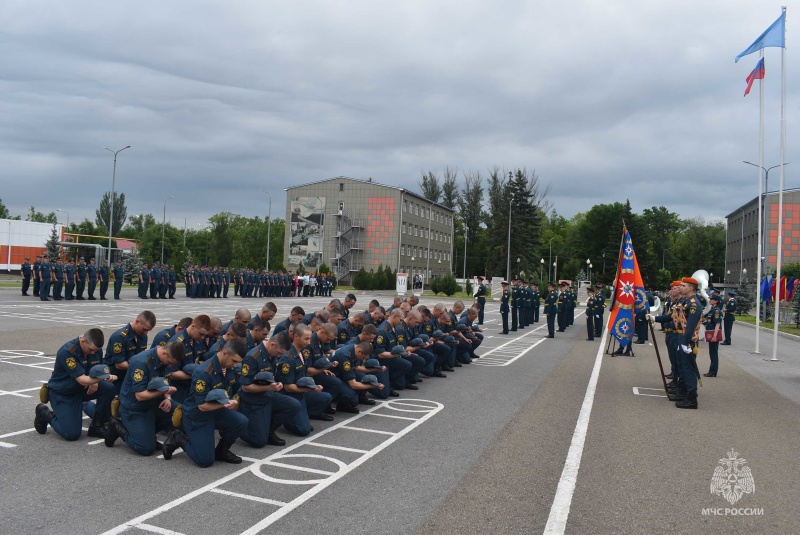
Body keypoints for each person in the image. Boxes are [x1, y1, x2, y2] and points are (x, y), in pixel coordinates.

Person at [162, 339, 250, 466]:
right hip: (198, 416)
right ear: (225, 353)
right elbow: (202, 406)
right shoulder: (204, 372)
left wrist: (228, 403)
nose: (236, 365)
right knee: (205, 461)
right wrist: (224, 405)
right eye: (234, 361)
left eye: (238, 362)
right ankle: (178, 437)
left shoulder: (228, 367)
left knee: (241, 421)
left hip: (216, 411)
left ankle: (222, 451)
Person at [104, 341, 184, 455]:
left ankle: (148, 434)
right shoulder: (141, 362)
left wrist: (168, 398)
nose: (171, 366)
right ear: (164, 353)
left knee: (180, 413)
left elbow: (165, 382)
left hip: (152, 403)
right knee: (145, 448)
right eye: (170, 362)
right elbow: (140, 396)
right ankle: (117, 426)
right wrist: (163, 392)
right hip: (134, 407)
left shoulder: (165, 362)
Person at [35, 328, 117, 440]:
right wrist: (99, 379)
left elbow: (97, 369)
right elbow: (82, 379)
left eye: (96, 350)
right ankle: (44, 413)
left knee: (108, 388)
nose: (94, 352)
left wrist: (100, 379)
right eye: (91, 349)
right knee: (71, 434)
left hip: (81, 389)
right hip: (63, 393)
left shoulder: (95, 349)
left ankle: (96, 426)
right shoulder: (68, 352)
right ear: (83, 341)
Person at [238, 332, 302, 447]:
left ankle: (269, 430)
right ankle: (235, 427)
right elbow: (245, 387)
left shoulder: (272, 355)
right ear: (272, 345)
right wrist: (269, 387)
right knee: (259, 442)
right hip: (253, 401)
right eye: (279, 353)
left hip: (268, 395)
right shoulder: (253, 357)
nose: (279, 356)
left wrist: (277, 384)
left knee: (294, 405)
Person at [274, 323, 334, 425]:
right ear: (296, 337)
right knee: (303, 430)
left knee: (326, 397)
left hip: (301, 392)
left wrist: (313, 386)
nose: (309, 342)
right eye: (306, 339)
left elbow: (305, 372)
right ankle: (287, 416)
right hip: (290, 395)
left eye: (310, 338)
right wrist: (309, 389)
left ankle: (305, 414)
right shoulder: (288, 358)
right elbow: (288, 387)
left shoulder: (301, 352)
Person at [104, 311, 156, 395]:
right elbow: (119, 364)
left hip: (131, 376)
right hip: (115, 378)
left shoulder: (143, 336)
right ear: (137, 321)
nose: (146, 332)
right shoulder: (120, 337)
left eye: (148, 330)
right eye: (145, 329)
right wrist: (141, 368)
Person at [675, 277, 703, 409]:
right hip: (684, 339)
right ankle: (686, 393)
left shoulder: (693, 304)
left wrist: (685, 343)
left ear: (691, 288)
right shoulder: (688, 302)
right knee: (683, 368)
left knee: (689, 369)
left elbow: (690, 327)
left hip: (689, 341)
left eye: (684, 286)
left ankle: (692, 399)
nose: (681, 288)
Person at [703, 295, 723, 377]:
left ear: (716, 301)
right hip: (710, 333)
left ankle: (713, 371)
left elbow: (717, 324)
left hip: (714, 334)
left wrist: (715, 336)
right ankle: (712, 370)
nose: (710, 300)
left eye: (712, 299)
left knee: (713, 353)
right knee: (712, 353)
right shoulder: (712, 310)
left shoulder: (717, 311)